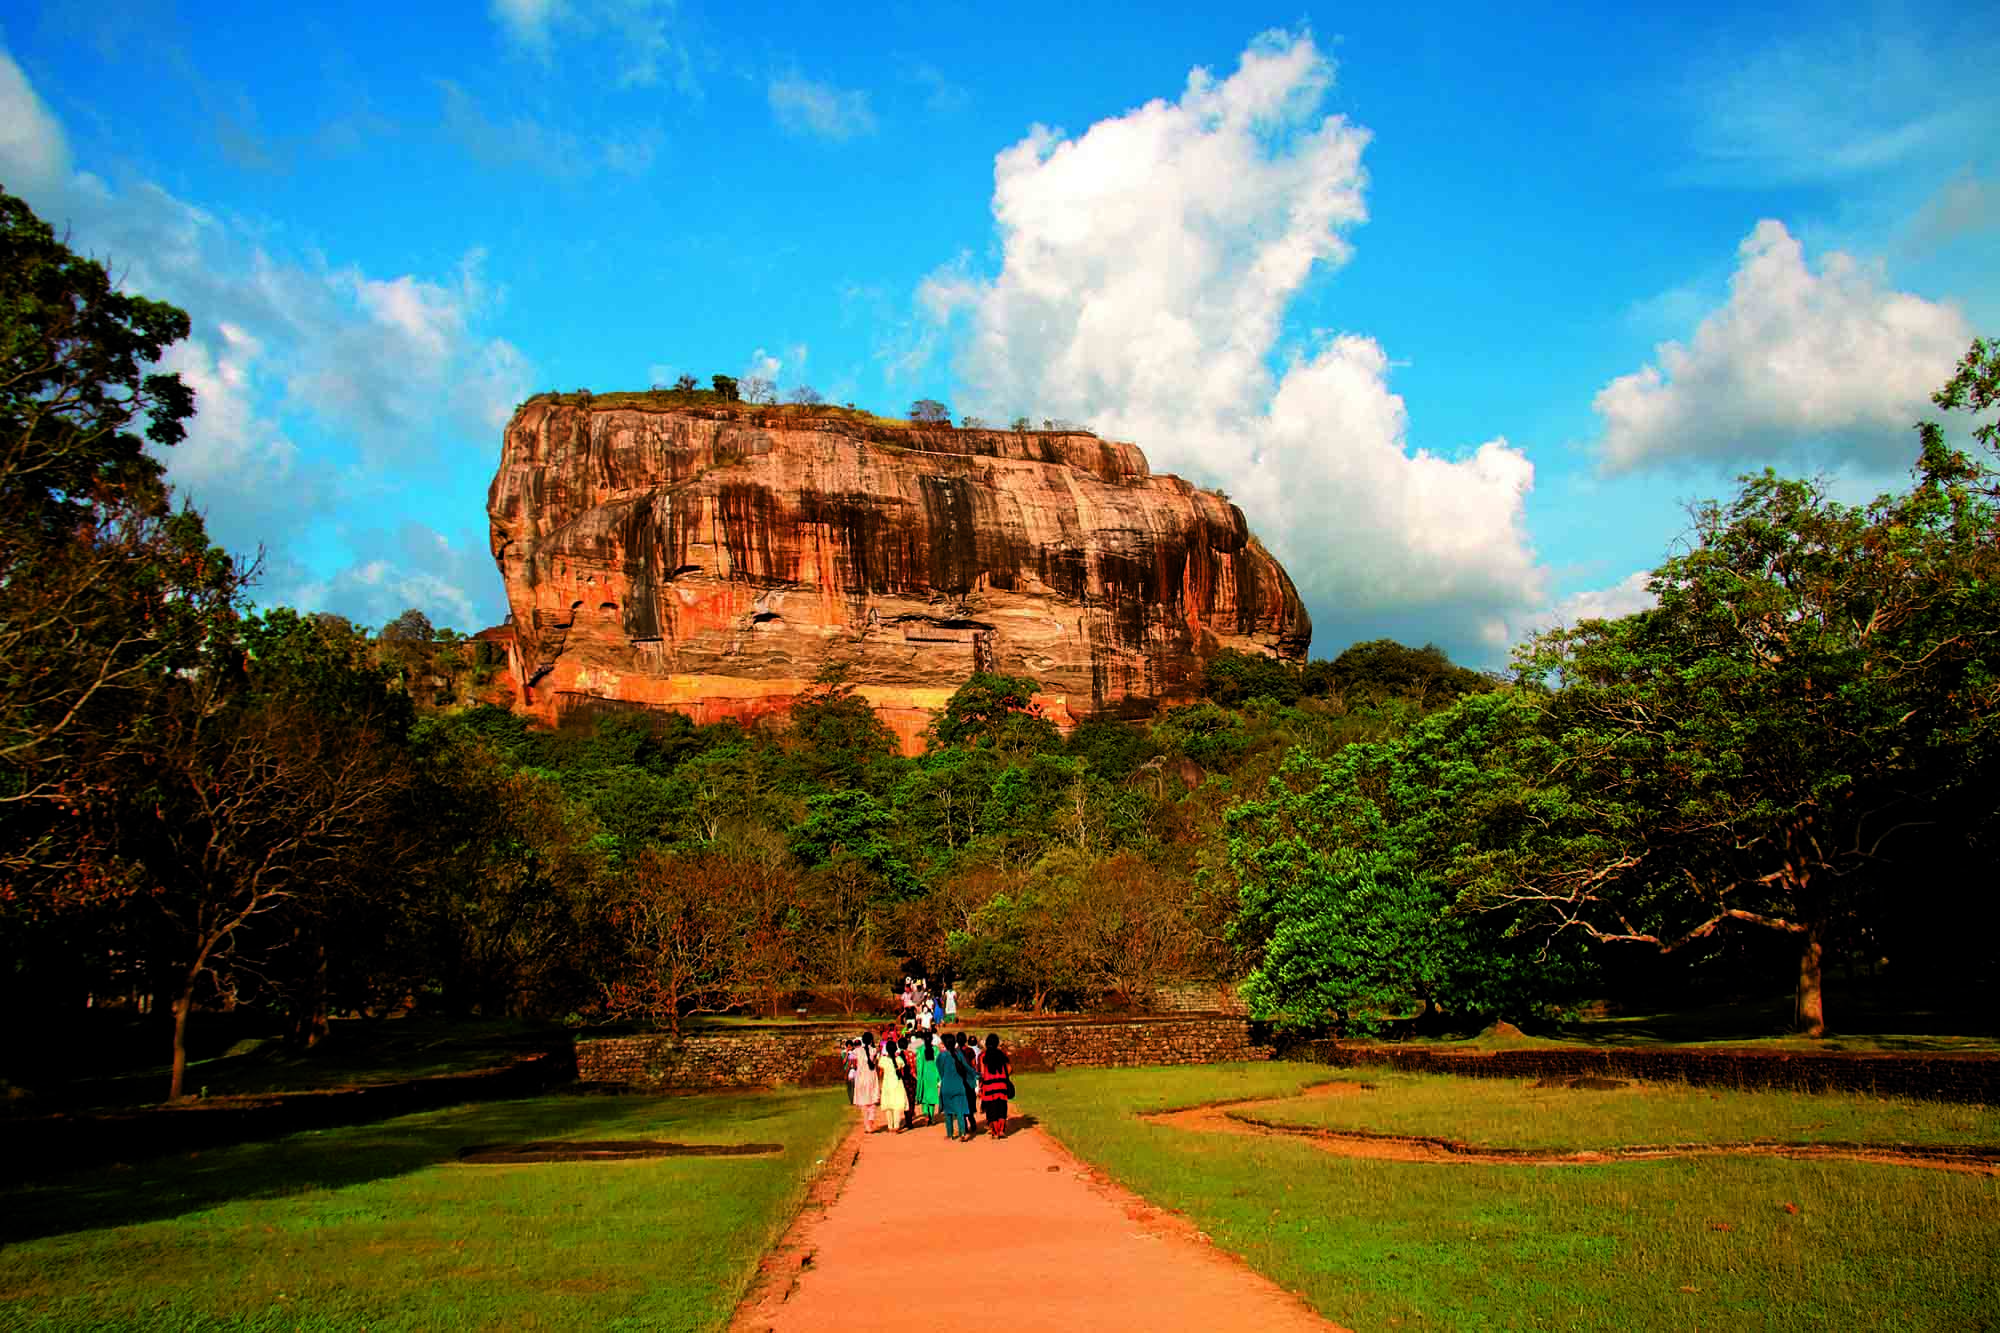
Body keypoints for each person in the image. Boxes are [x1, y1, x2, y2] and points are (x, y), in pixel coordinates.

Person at [938, 1032, 976, 1141]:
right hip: (959, 1086)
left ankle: (950, 1134)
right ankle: (962, 1133)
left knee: (948, 1112)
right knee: (960, 1111)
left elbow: (940, 1071)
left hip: (946, 1086)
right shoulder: (959, 1053)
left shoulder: (941, 1056)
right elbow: (967, 1068)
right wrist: (976, 1075)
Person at [977, 1033, 1013, 1139]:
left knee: (991, 1108)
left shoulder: (983, 1056)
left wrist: (981, 1085)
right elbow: (1010, 1068)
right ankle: (1001, 1130)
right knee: (1001, 1107)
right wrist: (1004, 1076)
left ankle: (994, 1131)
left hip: (989, 1085)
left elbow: (982, 1073)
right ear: (997, 1043)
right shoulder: (1002, 1054)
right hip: (1001, 1084)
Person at [876, 1035, 909, 1132]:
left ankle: (890, 1126)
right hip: (897, 1083)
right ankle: (897, 1126)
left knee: (888, 1106)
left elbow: (880, 1070)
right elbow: (902, 1071)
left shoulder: (883, 1059)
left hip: (887, 1084)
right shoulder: (899, 1059)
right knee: (897, 1106)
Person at [851, 1033, 881, 1133]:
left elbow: (853, 1060)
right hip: (871, 1077)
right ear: (871, 1040)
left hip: (861, 1078)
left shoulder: (857, 1051)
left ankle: (867, 1126)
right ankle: (871, 1119)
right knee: (872, 1100)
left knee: (863, 1103)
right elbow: (875, 1062)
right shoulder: (874, 1050)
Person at [916, 1033, 943, 1126]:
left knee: (924, 1096)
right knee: (932, 1096)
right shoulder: (936, 1050)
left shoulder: (920, 1050)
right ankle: (931, 1117)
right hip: (933, 1075)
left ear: (923, 1040)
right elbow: (938, 1064)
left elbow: (919, 1065)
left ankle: (926, 1114)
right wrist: (939, 1077)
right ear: (932, 1039)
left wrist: (919, 1076)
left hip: (924, 1075)